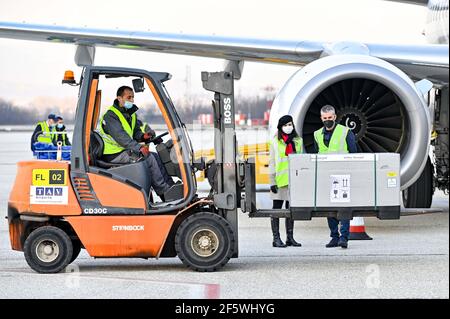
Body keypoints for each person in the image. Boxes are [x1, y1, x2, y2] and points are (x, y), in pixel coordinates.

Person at [99, 85, 172, 200]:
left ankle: (170, 187)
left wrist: (143, 136)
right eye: (129, 97)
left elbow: (135, 133)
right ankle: (165, 193)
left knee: (155, 156)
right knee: (148, 157)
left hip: (124, 150)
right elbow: (121, 137)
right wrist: (139, 148)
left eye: (133, 97)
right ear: (119, 98)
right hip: (114, 154)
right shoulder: (111, 116)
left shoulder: (130, 114)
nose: (132, 100)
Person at [313, 105, 358, 249]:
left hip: (343, 174)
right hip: (325, 176)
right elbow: (316, 154)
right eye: (325, 118)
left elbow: (353, 152)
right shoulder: (317, 134)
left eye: (330, 118)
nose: (327, 120)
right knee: (329, 208)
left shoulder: (345, 132)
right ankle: (334, 237)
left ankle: (344, 237)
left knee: (343, 207)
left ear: (335, 117)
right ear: (321, 118)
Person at [269, 115, 302, 248]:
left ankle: (290, 237)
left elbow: (300, 161)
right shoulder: (275, 142)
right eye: (286, 125)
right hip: (279, 181)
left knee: (290, 210)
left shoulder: (297, 141)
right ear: (281, 127)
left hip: (293, 181)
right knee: (276, 210)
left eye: (290, 124)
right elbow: (271, 162)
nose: (289, 127)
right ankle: (276, 238)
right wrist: (272, 182)